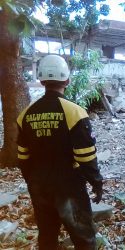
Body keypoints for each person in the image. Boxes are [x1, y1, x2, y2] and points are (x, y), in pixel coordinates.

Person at [16, 55, 103, 250]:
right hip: (68, 186)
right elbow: (85, 155)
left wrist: (33, 181)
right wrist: (96, 181)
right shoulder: (75, 112)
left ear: (41, 80)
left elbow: (23, 156)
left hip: (39, 185)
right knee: (84, 238)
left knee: (47, 237)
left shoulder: (25, 115)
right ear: (67, 80)